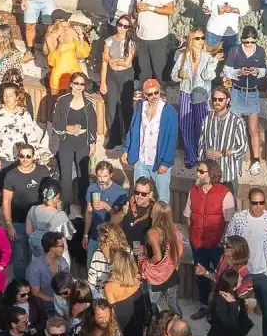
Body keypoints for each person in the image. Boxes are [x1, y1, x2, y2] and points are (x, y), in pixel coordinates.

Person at [223, 187, 267, 336]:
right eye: (255, 203)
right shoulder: (239, 218)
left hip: (262, 272)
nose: (258, 206)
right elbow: (229, 238)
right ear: (249, 202)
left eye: (261, 202)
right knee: (238, 308)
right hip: (242, 272)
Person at [0, 84, 44, 214]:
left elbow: (31, 135)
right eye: (5, 95)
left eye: (10, 95)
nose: (7, 98)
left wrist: (34, 155)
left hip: (17, 158)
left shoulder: (23, 113)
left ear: (17, 97)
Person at [184, 159, 234, 320]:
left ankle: (220, 309)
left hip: (217, 244)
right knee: (201, 276)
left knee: (222, 278)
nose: (197, 173)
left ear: (211, 174)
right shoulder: (193, 190)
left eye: (201, 171)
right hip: (198, 242)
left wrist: (222, 241)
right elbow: (187, 215)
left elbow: (229, 221)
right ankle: (205, 306)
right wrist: (192, 235)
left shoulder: (225, 193)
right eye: (197, 170)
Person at [1, 142, 51, 282]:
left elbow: (51, 194)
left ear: (34, 157)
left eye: (28, 156)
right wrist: (9, 224)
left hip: (39, 222)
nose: (25, 159)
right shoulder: (11, 175)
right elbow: (6, 202)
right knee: (19, 258)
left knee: (38, 256)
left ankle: (36, 285)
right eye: (22, 156)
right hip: (19, 223)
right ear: (18, 157)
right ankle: (21, 287)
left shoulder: (43, 171)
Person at [122, 79, 177, 204]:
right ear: (145, 95)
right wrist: (126, 149)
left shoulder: (169, 111)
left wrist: (166, 162)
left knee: (163, 198)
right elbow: (133, 129)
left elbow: (172, 138)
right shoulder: (140, 107)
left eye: (156, 93)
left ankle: (162, 223)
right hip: (141, 159)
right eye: (150, 94)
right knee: (139, 195)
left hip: (159, 161)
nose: (154, 96)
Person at [171, 28, 219, 169]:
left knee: (202, 126)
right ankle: (191, 156)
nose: (200, 41)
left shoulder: (208, 57)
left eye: (202, 38)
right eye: (197, 38)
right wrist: (179, 75)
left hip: (202, 95)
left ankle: (203, 157)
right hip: (186, 92)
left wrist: (214, 62)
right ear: (191, 40)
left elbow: (207, 77)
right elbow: (173, 75)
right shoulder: (183, 56)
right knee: (186, 125)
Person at [223, 25, 266, 174]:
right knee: (234, 127)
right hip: (237, 91)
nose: (249, 44)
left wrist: (257, 71)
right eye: (247, 42)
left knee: (253, 129)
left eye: (252, 42)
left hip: (252, 92)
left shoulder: (260, 51)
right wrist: (238, 72)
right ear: (242, 40)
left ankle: (256, 160)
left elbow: (264, 70)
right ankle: (234, 156)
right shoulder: (234, 50)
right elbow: (226, 70)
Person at [53, 72, 98, 209]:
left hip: (83, 141)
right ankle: (65, 206)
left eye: (82, 84)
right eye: (76, 83)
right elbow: (56, 123)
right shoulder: (62, 100)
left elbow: (93, 125)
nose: (79, 86)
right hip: (67, 140)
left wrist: (93, 143)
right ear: (71, 84)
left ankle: (84, 207)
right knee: (65, 175)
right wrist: (67, 127)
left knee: (83, 174)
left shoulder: (90, 103)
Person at [134, 0, 175, 81]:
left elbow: (170, 10)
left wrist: (150, 7)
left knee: (158, 69)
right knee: (143, 69)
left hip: (157, 38)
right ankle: (144, 93)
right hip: (141, 36)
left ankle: (160, 93)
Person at [99, 13, 135, 148]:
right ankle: (114, 138)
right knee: (111, 107)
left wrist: (111, 60)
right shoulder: (109, 41)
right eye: (120, 25)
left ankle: (130, 138)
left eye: (125, 26)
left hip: (126, 76)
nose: (122, 28)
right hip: (112, 76)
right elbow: (104, 63)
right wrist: (103, 82)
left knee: (127, 107)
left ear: (128, 28)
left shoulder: (130, 43)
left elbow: (127, 63)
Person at [141, 200, 183, 316]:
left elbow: (158, 256)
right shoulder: (175, 230)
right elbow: (179, 251)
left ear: (155, 213)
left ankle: (153, 330)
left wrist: (148, 262)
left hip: (155, 276)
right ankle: (181, 329)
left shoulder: (153, 232)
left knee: (151, 305)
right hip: (171, 273)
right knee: (173, 305)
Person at [82, 161, 127, 266]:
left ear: (111, 175)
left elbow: (117, 219)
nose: (101, 179)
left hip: (111, 238)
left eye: (105, 176)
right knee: (91, 266)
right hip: (94, 235)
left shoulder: (120, 192)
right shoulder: (92, 188)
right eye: (99, 176)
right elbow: (89, 213)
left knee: (109, 267)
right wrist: (85, 234)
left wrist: (106, 206)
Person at [26, 177, 74, 263]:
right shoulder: (60, 215)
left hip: (37, 255)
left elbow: (29, 232)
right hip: (57, 258)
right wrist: (59, 210)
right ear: (58, 195)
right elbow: (69, 236)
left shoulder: (32, 210)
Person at [26, 232, 69, 318]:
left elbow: (68, 283)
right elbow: (35, 292)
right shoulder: (36, 267)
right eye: (61, 246)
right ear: (52, 248)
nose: (63, 249)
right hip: (45, 309)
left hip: (63, 305)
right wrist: (55, 300)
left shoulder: (63, 261)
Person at [46, 15, 91, 95]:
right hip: (59, 72)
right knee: (57, 99)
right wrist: (59, 45)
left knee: (77, 96)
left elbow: (83, 53)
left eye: (67, 25)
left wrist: (81, 37)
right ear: (57, 23)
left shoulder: (72, 32)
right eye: (63, 26)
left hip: (74, 70)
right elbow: (52, 61)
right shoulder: (51, 37)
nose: (66, 28)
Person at [205, 269, 252, 336]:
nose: (242, 278)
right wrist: (233, 304)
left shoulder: (230, 292)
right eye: (239, 279)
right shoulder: (220, 302)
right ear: (234, 286)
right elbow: (231, 324)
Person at [113, 176, 155, 254]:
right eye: (136, 192)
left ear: (150, 194)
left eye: (143, 194)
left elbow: (160, 238)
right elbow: (112, 222)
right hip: (123, 250)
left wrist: (145, 249)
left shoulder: (155, 211)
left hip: (141, 255)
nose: (139, 196)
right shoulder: (127, 203)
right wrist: (122, 213)